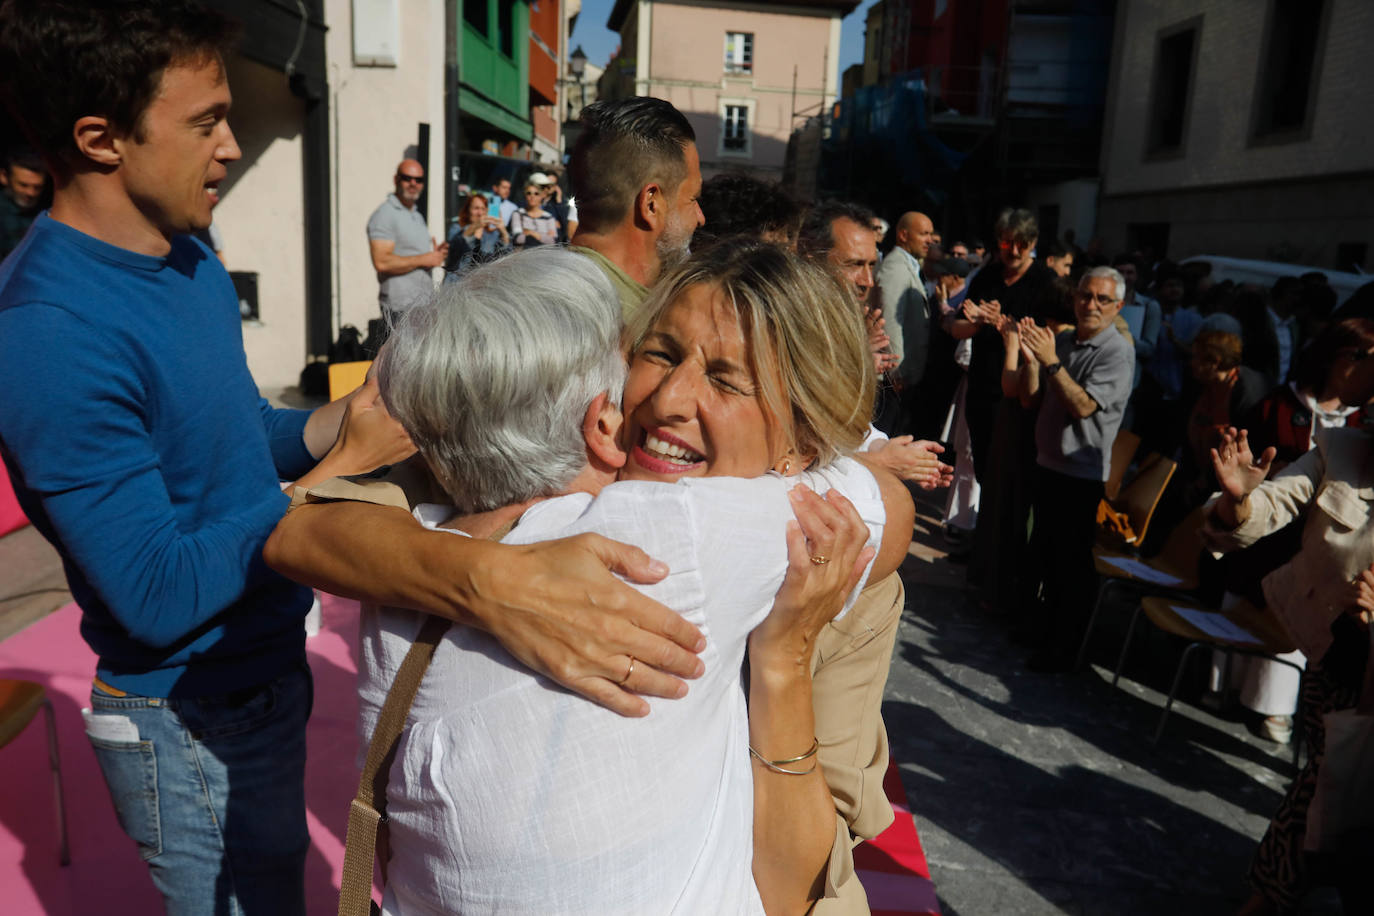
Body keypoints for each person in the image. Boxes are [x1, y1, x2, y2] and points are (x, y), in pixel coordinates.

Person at [285, 245, 914, 913]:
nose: (669, 399)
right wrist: (489, 579)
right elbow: (310, 527)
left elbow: (800, 889)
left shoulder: (835, 571)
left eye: (729, 381)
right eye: (662, 353)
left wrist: (782, 668)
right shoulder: (587, 498)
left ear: (805, 444)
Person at [0, 1, 424, 909]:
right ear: (101, 138)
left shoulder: (187, 254)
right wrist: (324, 480)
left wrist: (350, 419)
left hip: (264, 667)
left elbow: (235, 437)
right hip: (182, 720)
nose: (231, 146)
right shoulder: (45, 333)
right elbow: (155, 594)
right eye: (206, 122)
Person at [1206, 387, 1374, 915]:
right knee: (1327, 783)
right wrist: (1239, 499)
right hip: (1343, 658)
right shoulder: (1341, 450)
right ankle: (1267, 896)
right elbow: (1269, 505)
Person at [1008, 267, 1135, 671]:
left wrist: (1050, 363)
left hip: (1080, 474)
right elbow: (1030, 400)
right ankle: (1039, 630)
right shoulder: (1063, 340)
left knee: (1070, 563)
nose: (1090, 305)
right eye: (1085, 295)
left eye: (1101, 299)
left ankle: (1065, 649)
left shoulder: (1117, 351)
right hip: (1048, 463)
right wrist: (1032, 360)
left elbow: (1082, 407)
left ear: (1118, 307)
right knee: (1042, 552)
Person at [567, 97, 704, 317]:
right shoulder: (631, 332)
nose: (700, 217)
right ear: (651, 204)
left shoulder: (540, 287)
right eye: (693, 199)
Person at [367, 158, 447, 322]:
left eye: (418, 180)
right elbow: (382, 262)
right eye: (407, 178)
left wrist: (434, 255)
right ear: (396, 179)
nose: (413, 183)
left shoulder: (416, 215)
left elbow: (414, 255)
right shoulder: (385, 215)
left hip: (422, 304)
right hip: (400, 308)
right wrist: (425, 258)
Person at [876, 211, 935, 432]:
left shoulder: (910, 265)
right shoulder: (895, 267)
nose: (930, 239)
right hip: (897, 379)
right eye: (924, 234)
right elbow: (890, 319)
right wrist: (896, 370)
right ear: (903, 235)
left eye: (930, 233)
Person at [443, 190, 509, 276]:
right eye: (476, 208)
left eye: (483, 209)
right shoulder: (457, 228)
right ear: (468, 210)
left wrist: (503, 232)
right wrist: (473, 228)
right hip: (457, 281)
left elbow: (505, 256)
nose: (480, 213)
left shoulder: (492, 234)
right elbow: (453, 251)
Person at [0, 144, 44, 259]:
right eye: (23, 185)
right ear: (4, 177)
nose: (31, 193)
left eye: (37, 187)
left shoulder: (48, 211)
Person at [509, 180, 559, 248]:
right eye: (529, 193)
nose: (532, 196)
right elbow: (518, 239)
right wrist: (544, 236)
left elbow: (553, 241)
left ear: (542, 196)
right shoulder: (518, 213)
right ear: (525, 195)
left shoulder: (549, 217)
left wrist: (530, 232)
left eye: (536, 193)